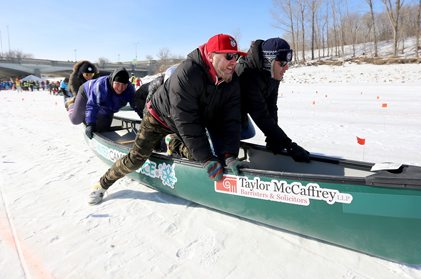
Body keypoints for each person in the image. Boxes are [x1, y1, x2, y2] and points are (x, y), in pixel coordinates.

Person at [88, 34, 247, 205]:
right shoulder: (188, 73)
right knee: (136, 159)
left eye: (236, 56)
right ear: (210, 56)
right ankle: (102, 184)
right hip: (158, 117)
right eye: (229, 56)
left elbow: (230, 119)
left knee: (199, 157)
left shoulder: (231, 79)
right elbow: (186, 120)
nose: (234, 62)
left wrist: (229, 154)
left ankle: (174, 143)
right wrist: (208, 158)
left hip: (186, 119)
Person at [235, 38, 310, 162]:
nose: (286, 68)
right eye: (282, 63)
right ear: (268, 61)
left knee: (248, 132)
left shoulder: (272, 74)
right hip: (221, 113)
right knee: (237, 133)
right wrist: (289, 144)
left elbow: (271, 106)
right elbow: (260, 115)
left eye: (287, 63)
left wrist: (273, 138)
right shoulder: (247, 74)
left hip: (241, 110)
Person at [68, 67, 140, 135]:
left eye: (124, 84)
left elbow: (135, 103)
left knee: (103, 129)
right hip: (86, 92)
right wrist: (90, 124)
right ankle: (72, 105)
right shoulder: (101, 86)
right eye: (117, 84)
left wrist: (143, 116)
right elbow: (93, 105)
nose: (120, 88)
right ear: (112, 81)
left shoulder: (129, 89)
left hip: (106, 103)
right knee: (76, 120)